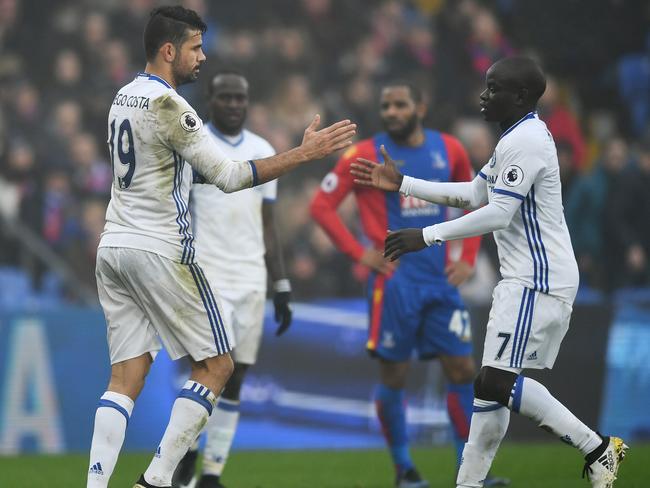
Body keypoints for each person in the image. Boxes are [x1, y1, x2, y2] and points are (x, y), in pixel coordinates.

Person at [86, 6, 355, 488]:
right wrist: (304, 153)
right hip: (159, 247)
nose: (202, 57)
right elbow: (230, 176)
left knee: (126, 377)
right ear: (169, 50)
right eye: (195, 47)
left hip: (114, 246)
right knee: (218, 365)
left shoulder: (122, 96)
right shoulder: (171, 107)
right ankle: (157, 480)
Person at [351, 56, 627, 488]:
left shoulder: (528, 141)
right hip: (526, 277)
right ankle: (469, 483)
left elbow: (498, 213)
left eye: (494, 88)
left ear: (519, 96)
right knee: (489, 389)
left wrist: (425, 235)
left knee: (493, 382)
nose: (483, 95)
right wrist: (405, 183)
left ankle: (596, 448)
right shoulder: (513, 138)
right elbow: (476, 192)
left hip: (537, 278)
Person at [311, 82, 508, 488]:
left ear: (421, 105)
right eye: (386, 106)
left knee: (462, 368)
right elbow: (321, 205)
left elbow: (475, 200)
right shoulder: (362, 152)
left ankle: (468, 473)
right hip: (394, 285)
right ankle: (404, 469)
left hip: (440, 281)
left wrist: (467, 257)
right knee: (395, 376)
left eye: (400, 105)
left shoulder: (450, 148)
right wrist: (358, 252)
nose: (391, 112)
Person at [171, 71, 292, 488]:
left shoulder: (263, 149)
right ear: (211, 99)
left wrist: (281, 284)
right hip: (206, 276)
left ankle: (212, 474)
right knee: (206, 370)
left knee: (237, 376)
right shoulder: (192, 145)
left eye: (240, 98)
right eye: (226, 97)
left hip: (252, 278)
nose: (234, 105)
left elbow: (269, 225)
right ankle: (185, 451)